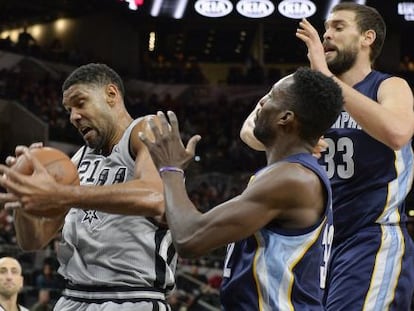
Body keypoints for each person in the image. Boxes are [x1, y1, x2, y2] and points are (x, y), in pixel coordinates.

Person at [139, 67, 344, 310]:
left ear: (285, 118)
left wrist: (170, 170)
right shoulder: (289, 174)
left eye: (271, 97)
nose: (261, 102)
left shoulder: (292, 179)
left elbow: (189, 238)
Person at [0, 63, 176, 311]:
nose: (73, 116)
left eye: (80, 103)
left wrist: (63, 194)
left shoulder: (146, 129)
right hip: (72, 297)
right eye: (68, 110)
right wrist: (22, 194)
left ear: (111, 95)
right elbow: (32, 241)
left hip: (131, 297)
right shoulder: (76, 161)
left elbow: (155, 196)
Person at [296, 3, 414, 310]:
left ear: (367, 37)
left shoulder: (389, 86)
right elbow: (251, 135)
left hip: (372, 235)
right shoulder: (316, 99)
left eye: (338, 27)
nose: (327, 36)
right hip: (319, 241)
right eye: (325, 29)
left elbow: (398, 132)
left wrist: (324, 75)